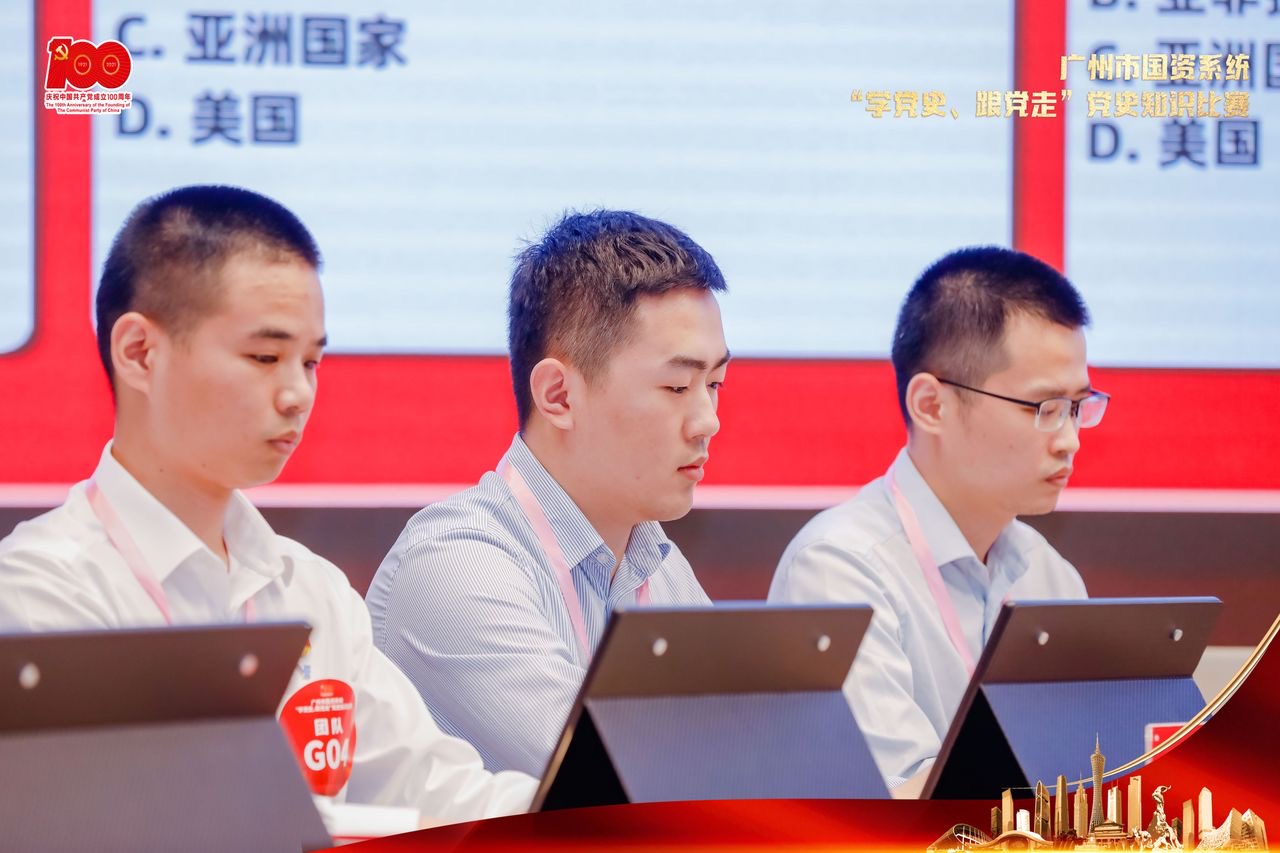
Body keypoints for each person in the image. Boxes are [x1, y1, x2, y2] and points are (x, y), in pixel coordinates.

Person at [0, 185, 536, 836]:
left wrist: (605, 809)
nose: (298, 393)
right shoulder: (38, 596)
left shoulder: (311, 590)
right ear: (139, 352)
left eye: (311, 361)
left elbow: (441, 788)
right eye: (265, 357)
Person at [367, 210, 729, 776]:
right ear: (558, 395)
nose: (708, 420)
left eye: (715, 384)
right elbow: (619, 781)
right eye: (677, 386)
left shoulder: (659, 565)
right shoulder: (455, 565)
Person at [768, 246, 1106, 785]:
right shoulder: (837, 569)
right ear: (931, 405)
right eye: (1044, 408)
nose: (1069, 440)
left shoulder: (1051, 576)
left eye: (1077, 407)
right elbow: (897, 798)